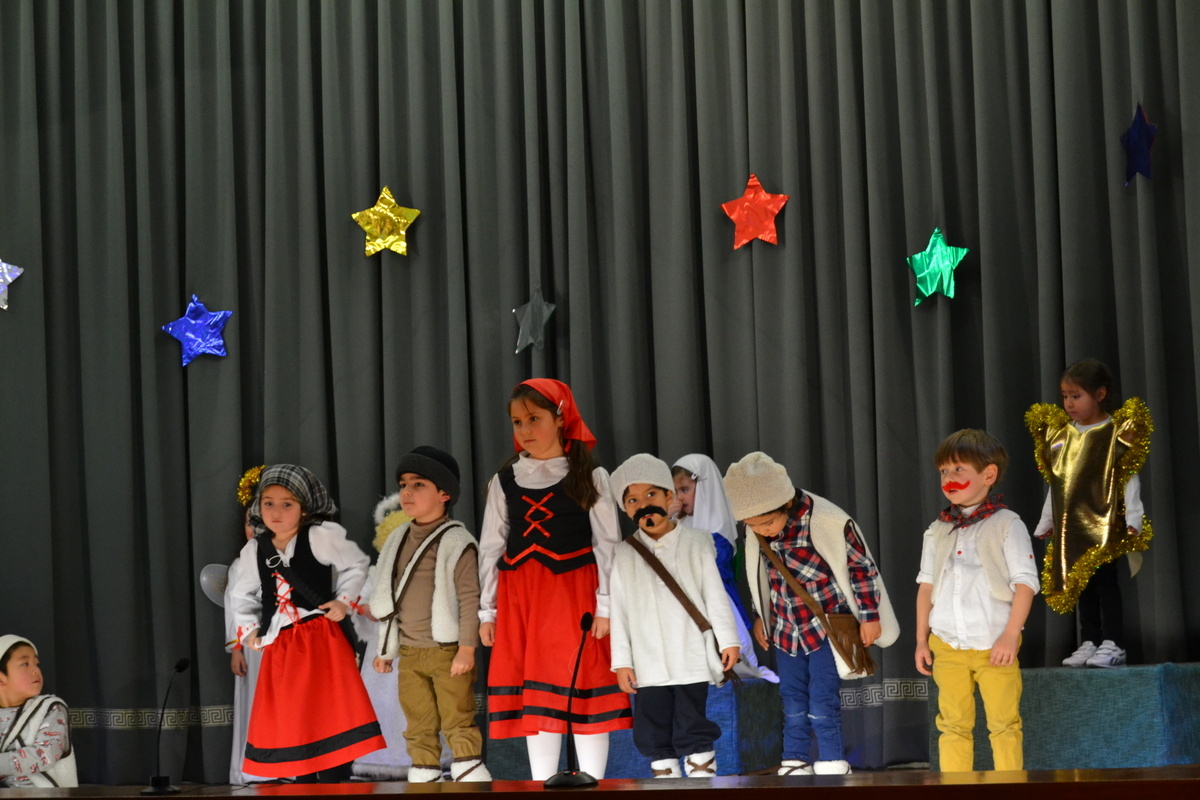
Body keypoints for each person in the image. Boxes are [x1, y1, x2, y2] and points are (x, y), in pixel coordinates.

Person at [478, 378, 632, 780]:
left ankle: (593, 785)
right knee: (538, 697)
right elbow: (491, 547)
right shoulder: (505, 480)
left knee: (584, 693)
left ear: (560, 419)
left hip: (575, 597)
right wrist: (487, 610)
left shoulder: (590, 476)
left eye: (534, 419)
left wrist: (606, 606)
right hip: (524, 600)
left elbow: (608, 545)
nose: (525, 430)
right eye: (517, 422)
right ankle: (540, 785)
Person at [723, 452, 899, 776]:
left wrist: (869, 615)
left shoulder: (826, 520)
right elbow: (758, 574)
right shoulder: (757, 529)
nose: (763, 531)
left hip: (826, 627)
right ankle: (795, 758)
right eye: (753, 526)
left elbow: (861, 569)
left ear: (786, 502)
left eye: (768, 523)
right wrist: (760, 615)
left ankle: (831, 759)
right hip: (786, 629)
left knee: (822, 697)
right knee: (791, 697)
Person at [228, 464, 385, 782]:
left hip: (321, 639)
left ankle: (335, 779)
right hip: (282, 645)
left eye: (287, 504)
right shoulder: (255, 550)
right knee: (294, 718)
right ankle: (303, 780)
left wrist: (342, 600)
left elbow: (356, 564)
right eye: (268, 503)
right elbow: (240, 594)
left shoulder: (319, 536)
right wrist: (250, 631)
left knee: (329, 709)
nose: (276, 512)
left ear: (304, 508)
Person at [608, 454, 740, 778]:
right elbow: (619, 611)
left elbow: (714, 595)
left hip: (690, 651)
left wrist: (729, 639)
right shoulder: (623, 553)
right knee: (651, 723)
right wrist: (622, 661)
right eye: (633, 500)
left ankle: (701, 776)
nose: (643, 505)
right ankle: (664, 778)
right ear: (626, 509)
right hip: (647, 659)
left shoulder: (698, 542)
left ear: (669, 497)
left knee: (691, 718)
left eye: (651, 494)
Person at [914, 430, 1038, 772]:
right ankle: (957, 789)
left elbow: (1025, 583)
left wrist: (1010, 635)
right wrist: (922, 639)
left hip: (993, 643)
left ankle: (1009, 789)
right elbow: (926, 586)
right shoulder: (938, 528)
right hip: (947, 643)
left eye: (958, 469)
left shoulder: (1007, 523)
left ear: (989, 474)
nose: (948, 478)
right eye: (943, 471)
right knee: (952, 724)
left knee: (1004, 724)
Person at [370, 446, 491, 783]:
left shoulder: (457, 540)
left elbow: (470, 599)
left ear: (444, 494)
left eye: (418, 484)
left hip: (446, 651)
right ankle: (424, 769)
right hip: (410, 651)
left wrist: (466, 649)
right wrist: (385, 650)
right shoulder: (398, 538)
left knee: (457, 714)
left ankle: (468, 767)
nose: (407, 492)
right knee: (417, 718)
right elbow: (388, 596)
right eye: (403, 485)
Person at [1026, 359, 1153, 668]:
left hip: (1104, 522)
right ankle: (1090, 640)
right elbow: (1058, 483)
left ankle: (1114, 643)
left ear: (1100, 394)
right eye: (1065, 396)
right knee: (1082, 586)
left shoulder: (1115, 433)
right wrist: (1047, 520)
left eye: (1076, 396)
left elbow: (1128, 478)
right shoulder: (1062, 436)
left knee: (1106, 583)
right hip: (1073, 528)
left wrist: (1133, 519)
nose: (1069, 403)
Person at [670, 454, 778, 683]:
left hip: (718, 603)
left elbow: (709, 566)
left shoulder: (718, 525)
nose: (679, 497)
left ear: (704, 486)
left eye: (685, 489)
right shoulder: (678, 523)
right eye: (676, 491)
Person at [224, 467, 269, 784]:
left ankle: (289, 768)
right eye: (248, 523)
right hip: (253, 648)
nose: (252, 530)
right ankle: (253, 769)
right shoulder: (241, 565)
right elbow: (233, 608)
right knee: (255, 703)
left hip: (285, 644)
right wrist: (236, 649)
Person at [0, 635, 77, 788]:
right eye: (25, 664)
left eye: (37, 664)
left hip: (41, 795)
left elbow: (45, 755)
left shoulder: (49, 708)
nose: (36, 670)